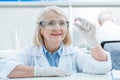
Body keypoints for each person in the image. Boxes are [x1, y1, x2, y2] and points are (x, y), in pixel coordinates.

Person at [0, 6, 111, 79]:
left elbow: (101, 68)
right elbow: (5, 67)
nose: (57, 28)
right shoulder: (30, 53)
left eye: (62, 23)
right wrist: (43, 71)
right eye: (51, 23)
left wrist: (93, 42)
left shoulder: (73, 53)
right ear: (40, 29)